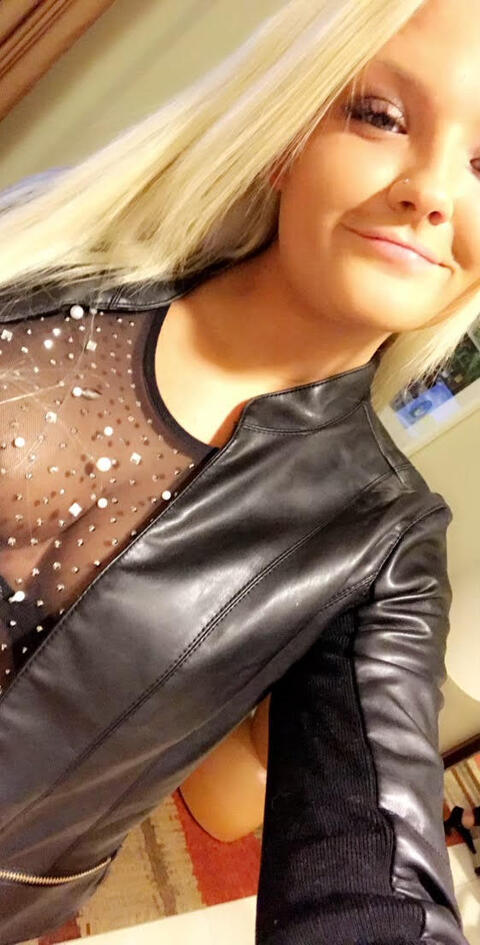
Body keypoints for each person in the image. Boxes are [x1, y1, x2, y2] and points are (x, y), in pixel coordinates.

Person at [0, 0, 477, 942]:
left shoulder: (385, 548)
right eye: (381, 115)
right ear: (289, 138)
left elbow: (375, 871)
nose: (430, 191)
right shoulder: (45, 249)